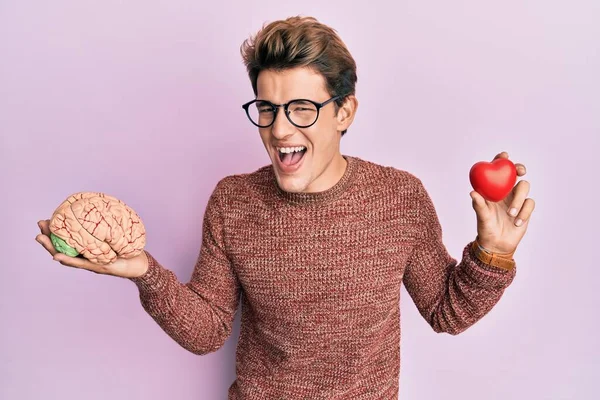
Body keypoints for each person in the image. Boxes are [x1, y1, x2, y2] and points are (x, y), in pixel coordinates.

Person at [35, 15, 535, 399]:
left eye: (302, 108)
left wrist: (492, 256)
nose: (278, 129)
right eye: (267, 108)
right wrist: (143, 272)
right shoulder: (232, 201)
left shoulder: (399, 198)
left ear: (344, 112)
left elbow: (445, 312)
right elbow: (208, 330)